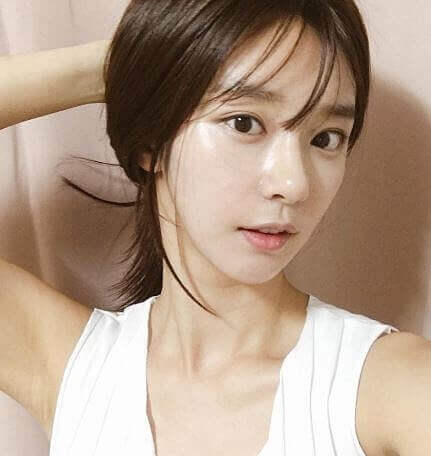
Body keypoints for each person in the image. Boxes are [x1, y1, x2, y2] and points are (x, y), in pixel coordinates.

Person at [0, 1, 430, 455]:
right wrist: (130, 61)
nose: (294, 184)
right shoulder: (76, 367)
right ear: (151, 142)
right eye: (245, 123)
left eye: (325, 138)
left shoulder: (397, 389)